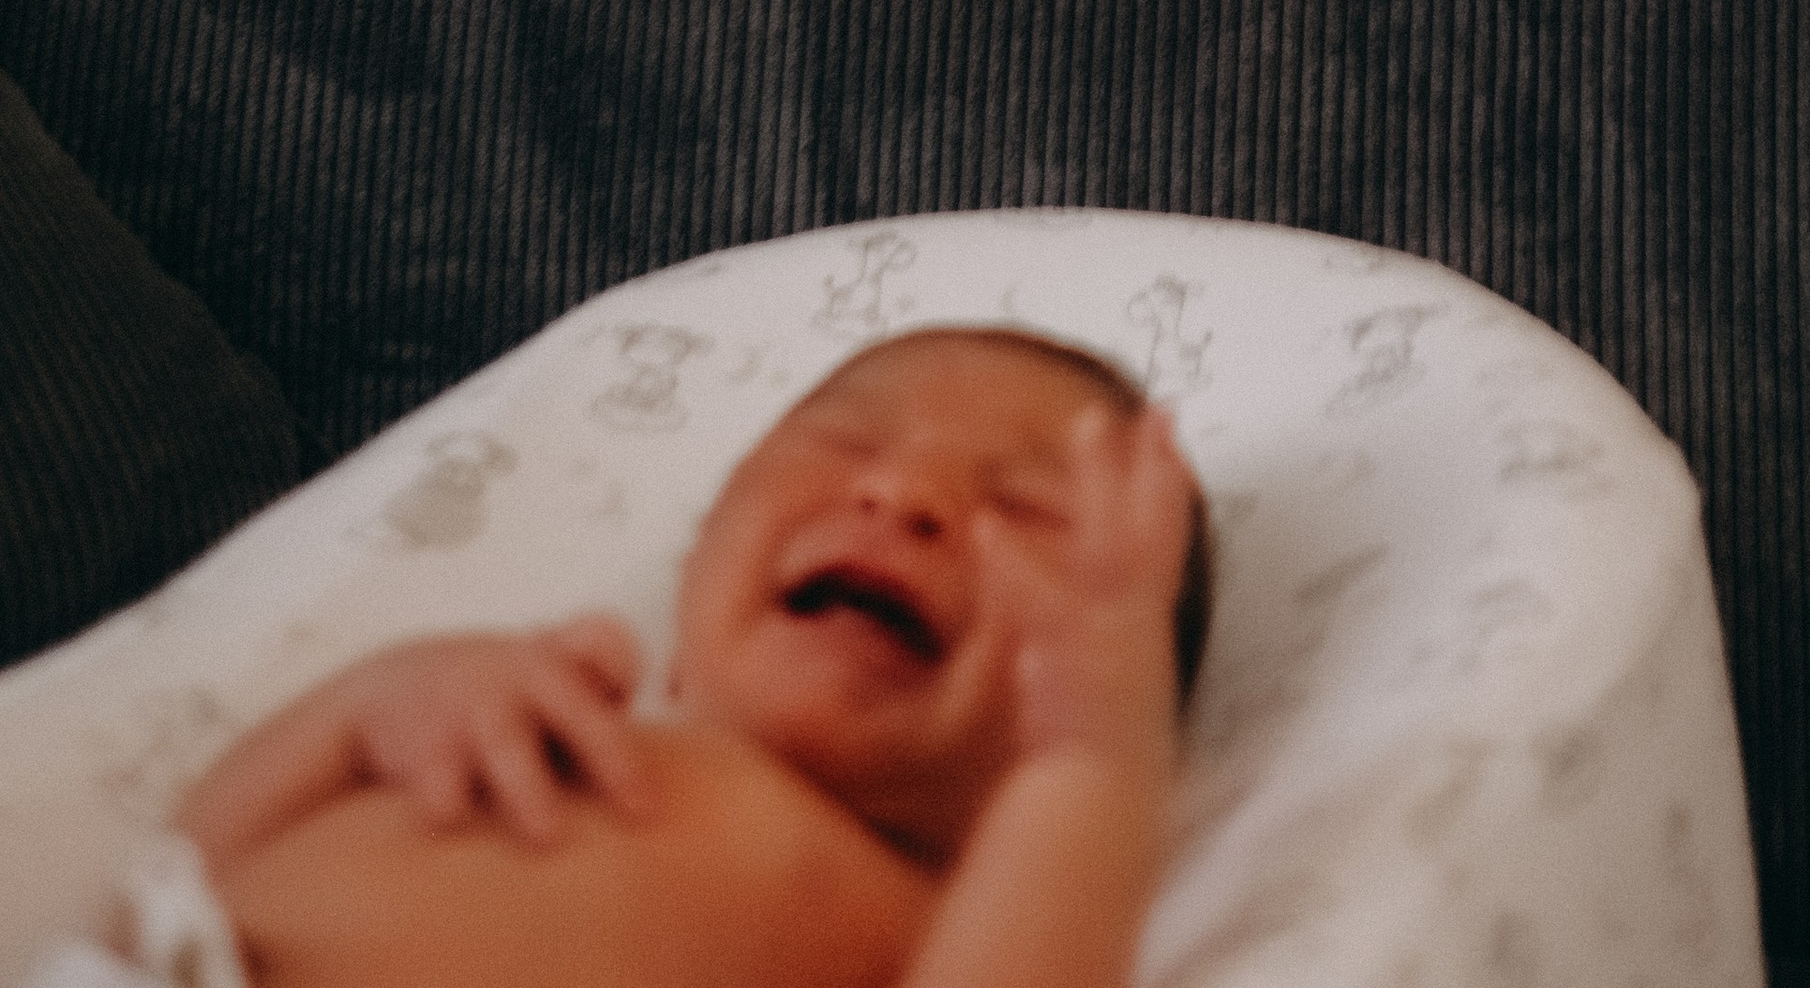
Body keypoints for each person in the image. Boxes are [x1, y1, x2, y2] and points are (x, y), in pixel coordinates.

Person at [40, 327, 1208, 988]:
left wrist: (1088, 763)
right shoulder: (545, 717)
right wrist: (362, 711)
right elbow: (179, 871)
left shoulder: (913, 913)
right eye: (847, 440)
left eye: (1027, 509)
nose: (902, 492)